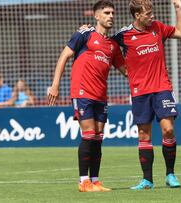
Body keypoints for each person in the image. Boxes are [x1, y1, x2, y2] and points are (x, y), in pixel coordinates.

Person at [48, 0, 126, 192]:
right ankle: (83, 181)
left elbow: (126, 71)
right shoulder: (84, 34)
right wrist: (55, 85)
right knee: (89, 134)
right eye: (106, 13)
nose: (111, 16)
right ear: (96, 16)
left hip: (101, 95)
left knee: (99, 137)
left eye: (112, 13)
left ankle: (95, 180)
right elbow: (64, 56)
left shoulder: (113, 45)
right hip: (82, 92)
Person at [111, 0, 181, 190]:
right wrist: (122, 69)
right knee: (144, 135)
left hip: (162, 87)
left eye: (152, 13)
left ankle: (170, 174)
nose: (151, 16)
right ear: (137, 15)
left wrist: (178, 9)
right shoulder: (123, 35)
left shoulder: (158, 28)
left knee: (168, 129)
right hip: (139, 92)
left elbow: (180, 33)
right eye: (148, 14)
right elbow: (106, 47)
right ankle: (147, 180)